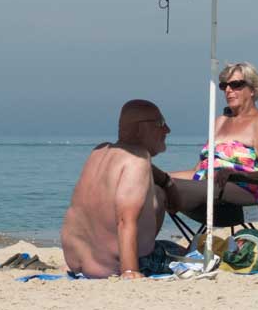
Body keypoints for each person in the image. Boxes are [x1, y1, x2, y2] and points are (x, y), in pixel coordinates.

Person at [60, 99, 181, 278]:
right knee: (185, 253)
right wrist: (130, 271)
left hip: (77, 263)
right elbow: (125, 219)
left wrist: (166, 182)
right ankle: (132, 261)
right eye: (161, 123)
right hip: (111, 267)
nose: (167, 130)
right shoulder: (138, 160)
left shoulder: (99, 152)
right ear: (141, 128)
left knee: (156, 192)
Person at [168, 62, 258, 219]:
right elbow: (198, 171)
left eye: (236, 84)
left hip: (244, 189)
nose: (228, 90)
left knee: (165, 188)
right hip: (206, 186)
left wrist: (235, 173)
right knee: (153, 183)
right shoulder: (219, 122)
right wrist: (161, 176)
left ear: (253, 90)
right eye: (224, 85)